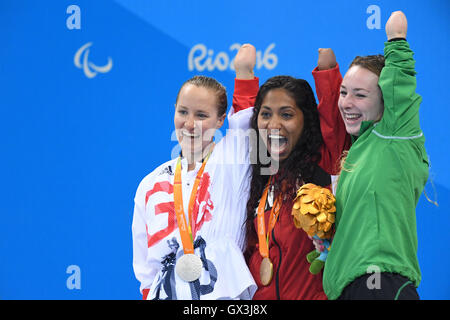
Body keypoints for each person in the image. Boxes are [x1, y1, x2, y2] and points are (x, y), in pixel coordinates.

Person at [131, 45, 260, 300]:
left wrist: (244, 72)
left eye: (201, 115)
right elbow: (147, 269)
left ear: (221, 119)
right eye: (183, 112)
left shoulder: (231, 160)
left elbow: (246, 118)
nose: (189, 124)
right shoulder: (150, 183)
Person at [323, 11, 428, 300]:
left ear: (385, 102)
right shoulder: (360, 150)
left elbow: (400, 87)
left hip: (380, 284)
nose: (347, 103)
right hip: (352, 288)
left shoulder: (394, 135)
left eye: (360, 94)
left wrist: (396, 40)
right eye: (344, 92)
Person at [234, 48, 350, 299]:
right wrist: (243, 75)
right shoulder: (262, 169)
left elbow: (333, 116)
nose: (273, 125)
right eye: (266, 114)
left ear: (306, 120)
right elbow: (244, 122)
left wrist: (327, 71)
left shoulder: (323, 163)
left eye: (286, 114)